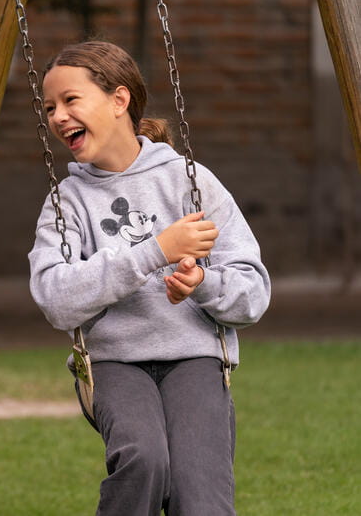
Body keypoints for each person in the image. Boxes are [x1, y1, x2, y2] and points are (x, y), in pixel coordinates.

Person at [28, 41, 271, 515]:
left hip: (195, 359)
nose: (58, 116)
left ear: (119, 100)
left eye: (70, 100)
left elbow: (253, 292)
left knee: (200, 497)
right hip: (117, 363)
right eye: (50, 107)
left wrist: (201, 281)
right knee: (144, 460)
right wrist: (155, 251)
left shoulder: (190, 181)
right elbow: (55, 299)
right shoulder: (68, 203)